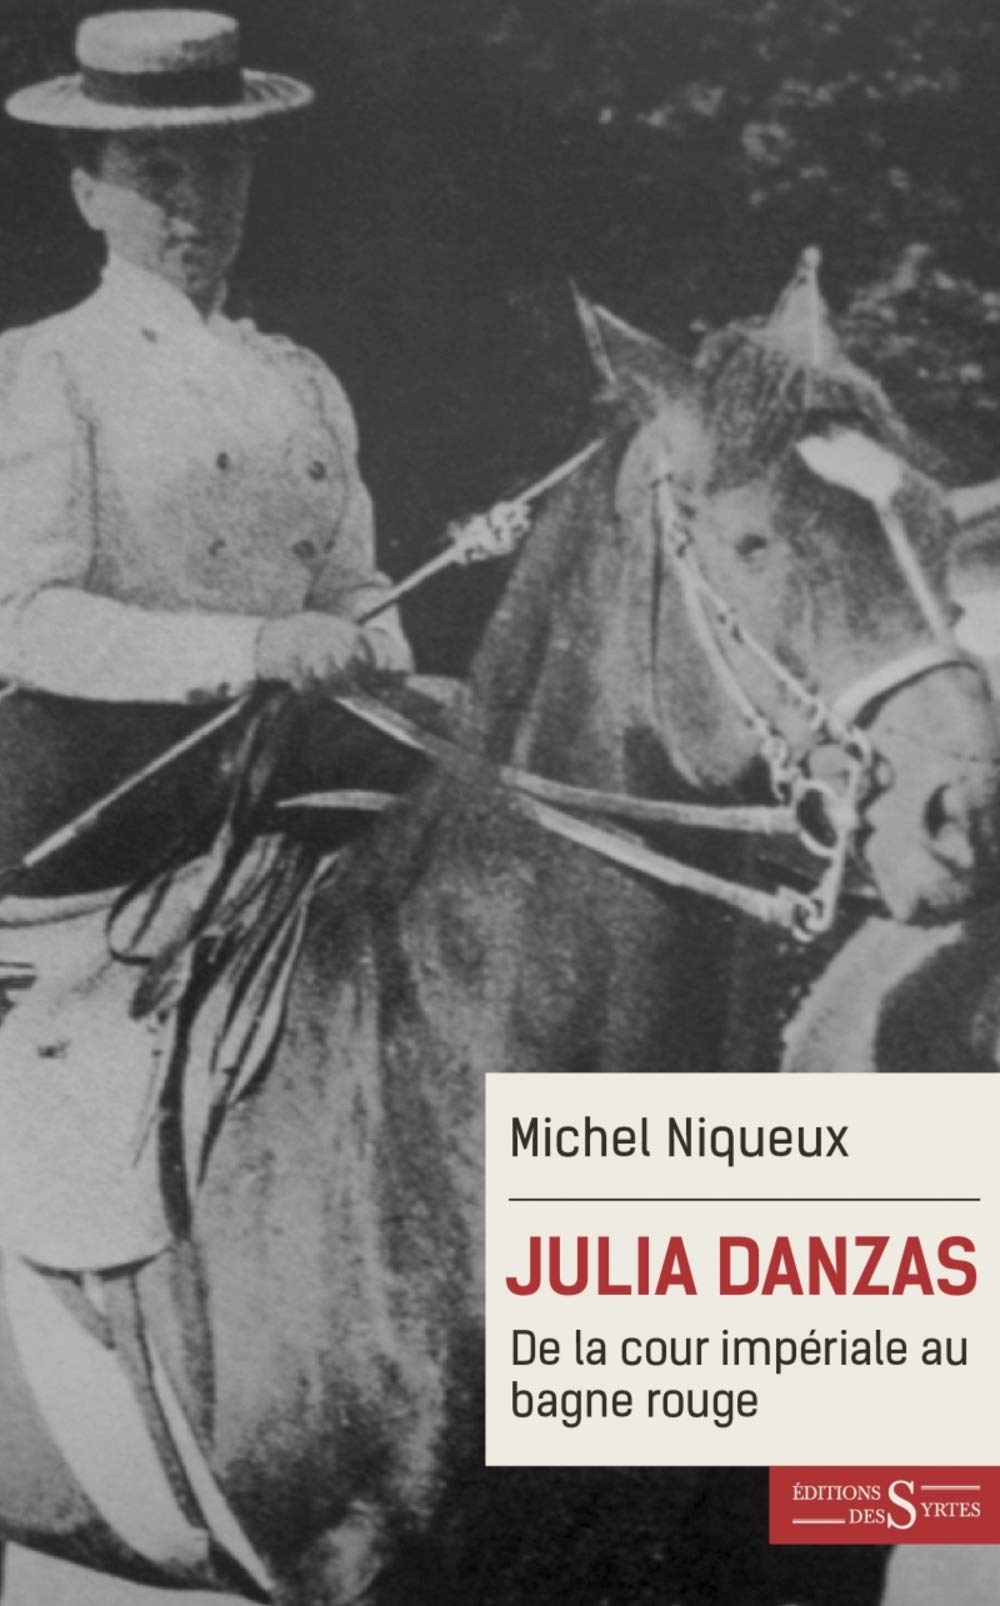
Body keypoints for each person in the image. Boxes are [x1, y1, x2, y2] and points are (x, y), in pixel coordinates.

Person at [0, 8, 413, 892]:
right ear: (88, 195)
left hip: (292, 760)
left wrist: (375, 646)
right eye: (157, 173)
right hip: (102, 788)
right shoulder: (48, 368)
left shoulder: (301, 381)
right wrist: (253, 647)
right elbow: (23, 622)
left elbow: (351, 586)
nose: (194, 202)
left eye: (222, 166)